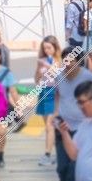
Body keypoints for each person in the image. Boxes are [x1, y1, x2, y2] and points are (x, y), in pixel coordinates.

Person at [53, 47, 92, 181]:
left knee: (74, 167)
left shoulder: (87, 77)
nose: (68, 63)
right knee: (62, 168)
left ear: (78, 61)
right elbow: (58, 96)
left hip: (82, 128)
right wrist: (55, 113)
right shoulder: (59, 76)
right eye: (65, 60)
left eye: (71, 60)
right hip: (62, 127)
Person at [34, 36, 62, 167]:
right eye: (44, 48)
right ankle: (60, 153)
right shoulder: (42, 60)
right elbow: (36, 78)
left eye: (49, 47)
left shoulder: (60, 60)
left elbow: (59, 75)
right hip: (43, 90)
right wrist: (39, 72)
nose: (46, 51)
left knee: (50, 126)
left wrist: (48, 66)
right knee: (49, 126)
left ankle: (47, 154)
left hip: (55, 92)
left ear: (55, 47)